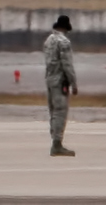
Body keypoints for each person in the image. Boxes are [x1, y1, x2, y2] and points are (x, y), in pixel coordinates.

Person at [43, 14, 78, 156]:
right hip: (59, 81)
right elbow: (67, 64)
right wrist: (73, 83)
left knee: (53, 112)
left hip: (49, 79)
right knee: (60, 112)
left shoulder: (49, 40)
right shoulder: (64, 42)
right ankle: (57, 144)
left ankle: (54, 140)